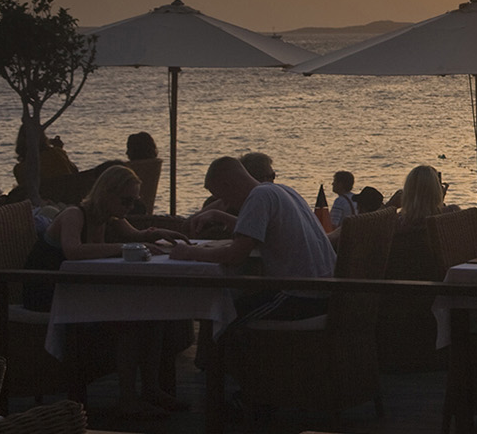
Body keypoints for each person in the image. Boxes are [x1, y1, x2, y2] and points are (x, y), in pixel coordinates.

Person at [25, 166, 188, 416]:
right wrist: (122, 248)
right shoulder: (74, 215)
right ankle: (128, 398)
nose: (130, 207)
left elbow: (135, 235)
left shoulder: (110, 216)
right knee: (129, 320)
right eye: (126, 200)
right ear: (107, 194)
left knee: (154, 314)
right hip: (50, 293)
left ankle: (151, 388)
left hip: (79, 290)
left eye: (134, 201)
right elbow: (73, 250)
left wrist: (156, 234)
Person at [161, 156, 336, 323]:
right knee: (232, 304)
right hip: (322, 291)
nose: (226, 204)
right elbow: (258, 229)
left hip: (300, 297)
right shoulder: (281, 190)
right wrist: (218, 215)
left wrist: (189, 252)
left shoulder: (258, 197)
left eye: (222, 197)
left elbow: (235, 255)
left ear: (228, 185)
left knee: (224, 315)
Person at [395, 165, 459, 232]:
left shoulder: (398, 222)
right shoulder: (452, 213)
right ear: (437, 191)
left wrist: (391, 205)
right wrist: (439, 202)